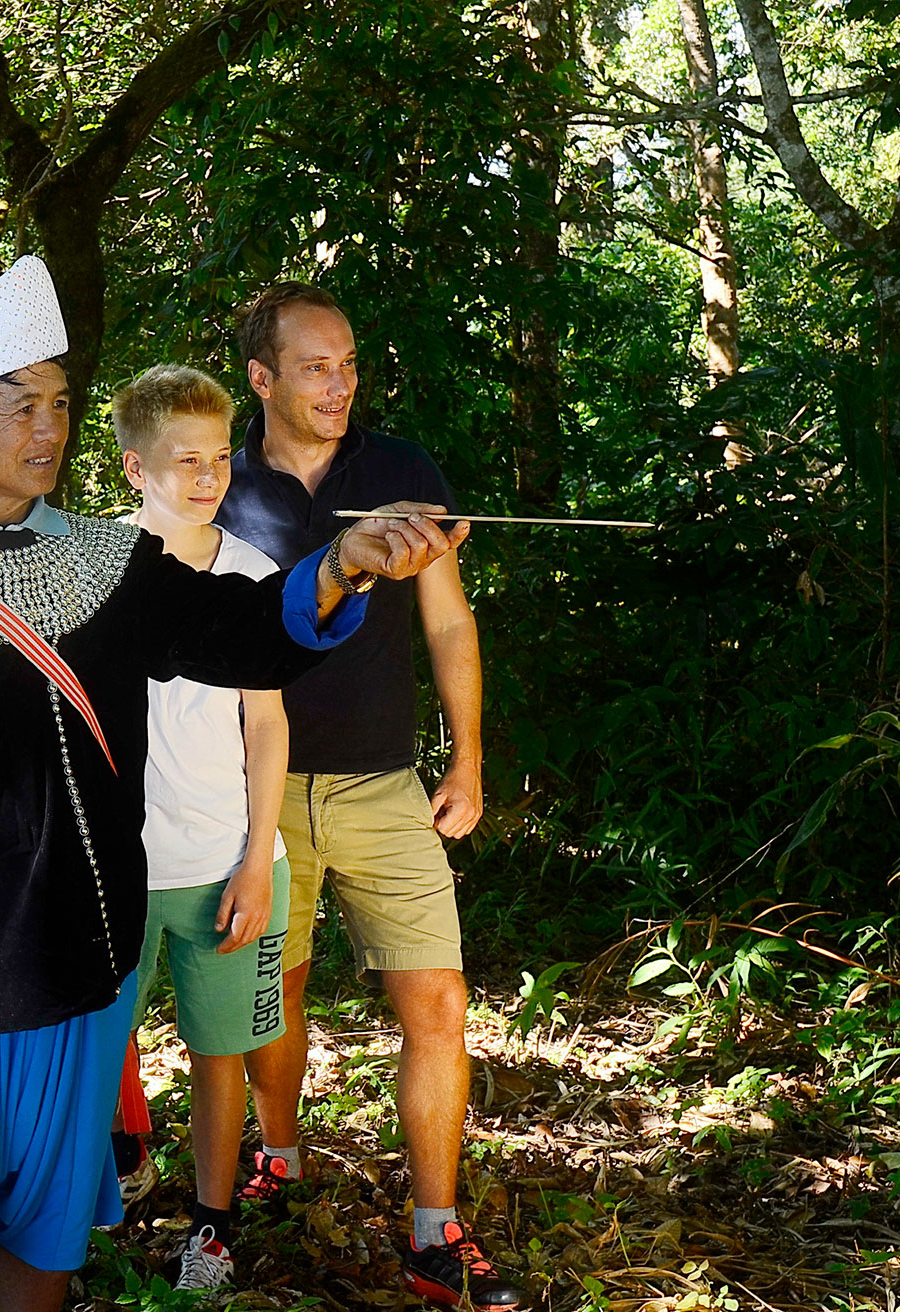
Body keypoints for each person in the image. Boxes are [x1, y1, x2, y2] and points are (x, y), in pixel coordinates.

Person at [0, 255, 465, 1312]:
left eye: (59, 404)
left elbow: (243, 635)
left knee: (46, 1241)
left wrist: (343, 567)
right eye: (20, 406)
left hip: (80, 966)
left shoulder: (108, 562)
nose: (47, 429)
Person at [215, 282, 524, 1308]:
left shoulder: (400, 470)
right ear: (261, 378)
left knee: (437, 1000)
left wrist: (466, 758)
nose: (339, 384)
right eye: (315, 367)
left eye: (347, 364)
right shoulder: (219, 480)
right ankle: (281, 1152)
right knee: (278, 997)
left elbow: (448, 620)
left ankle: (436, 1230)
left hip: (386, 782)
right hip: (257, 793)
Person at [112, 364, 292, 1291]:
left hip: (226, 860)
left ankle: (211, 1229)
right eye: (185, 460)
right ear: (134, 467)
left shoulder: (251, 573)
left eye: (220, 457)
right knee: (91, 1049)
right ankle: (93, 1194)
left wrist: (257, 861)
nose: (209, 476)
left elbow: (267, 723)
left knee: (219, 1056)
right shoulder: (94, 568)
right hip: (115, 869)